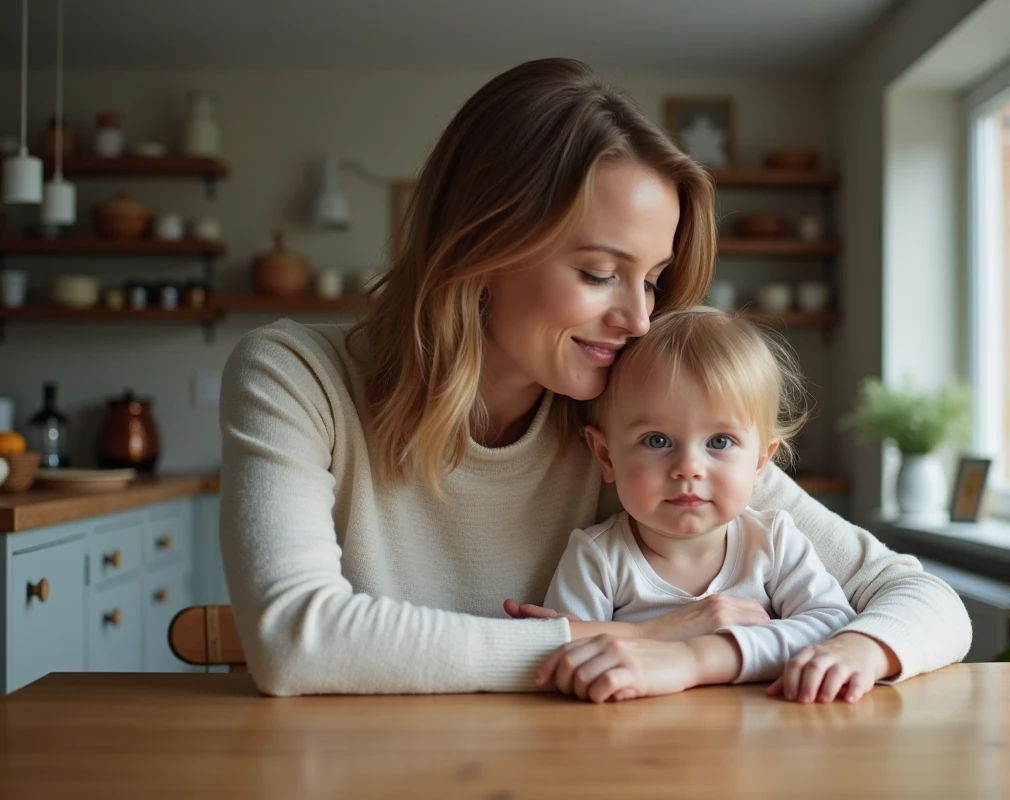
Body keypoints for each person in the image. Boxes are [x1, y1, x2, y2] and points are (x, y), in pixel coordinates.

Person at [219, 57, 971, 701]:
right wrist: (618, 637)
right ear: (481, 248)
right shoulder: (296, 377)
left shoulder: (642, 418)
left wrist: (853, 651)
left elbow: (928, 601)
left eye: (651, 281)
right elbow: (294, 641)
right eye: (600, 274)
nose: (639, 321)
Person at [539, 308, 858, 703]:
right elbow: (562, 659)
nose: (688, 469)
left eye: (719, 442)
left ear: (761, 462)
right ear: (606, 456)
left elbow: (834, 626)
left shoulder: (773, 542)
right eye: (657, 441)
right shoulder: (597, 557)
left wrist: (700, 658)